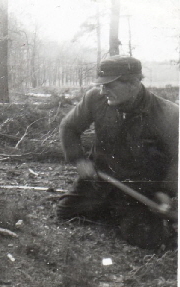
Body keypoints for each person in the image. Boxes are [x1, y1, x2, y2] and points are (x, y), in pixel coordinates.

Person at [56, 55, 178, 249]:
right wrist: (79, 160)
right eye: (102, 85)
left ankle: (127, 214)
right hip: (102, 179)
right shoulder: (95, 98)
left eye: (109, 85)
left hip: (140, 189)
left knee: (148, 239)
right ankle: (112, 209)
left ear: (134, 83)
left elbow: (177, 159)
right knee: (65, 212)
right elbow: (68, 127)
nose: (103, 90)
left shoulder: (168, 113)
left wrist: (166, 191)